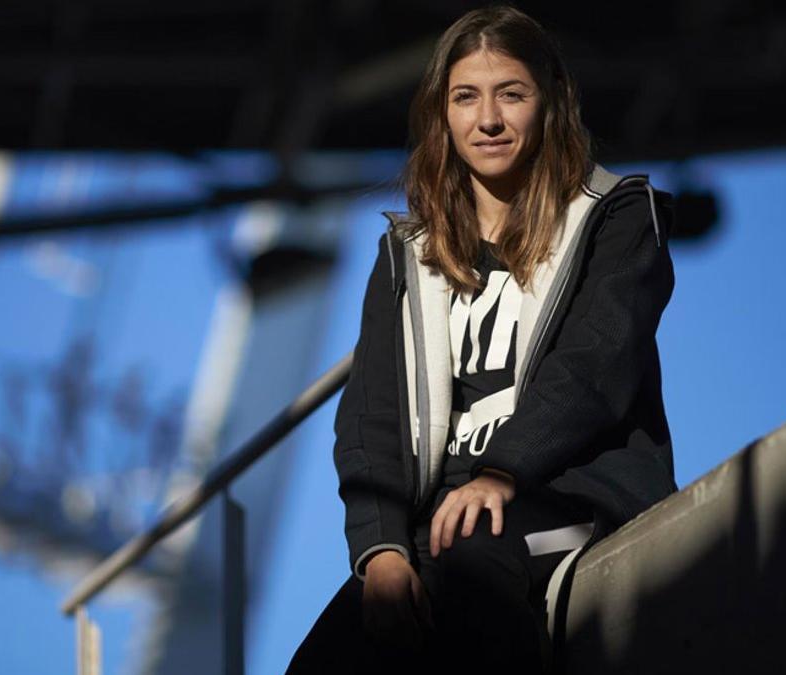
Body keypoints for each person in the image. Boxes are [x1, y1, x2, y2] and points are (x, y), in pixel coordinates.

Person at [288, 5, 676, 674]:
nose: (488, 119)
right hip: (440, 521)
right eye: (465, 97)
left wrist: (502, 470)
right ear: (443, 113)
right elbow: (370, 414)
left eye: (512, 94)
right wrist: (379, 547)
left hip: (570, 495)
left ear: (552, 100)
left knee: (468, 578)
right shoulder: (407, 254)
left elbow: (594, 366)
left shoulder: (615, 217)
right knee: (327, 653)